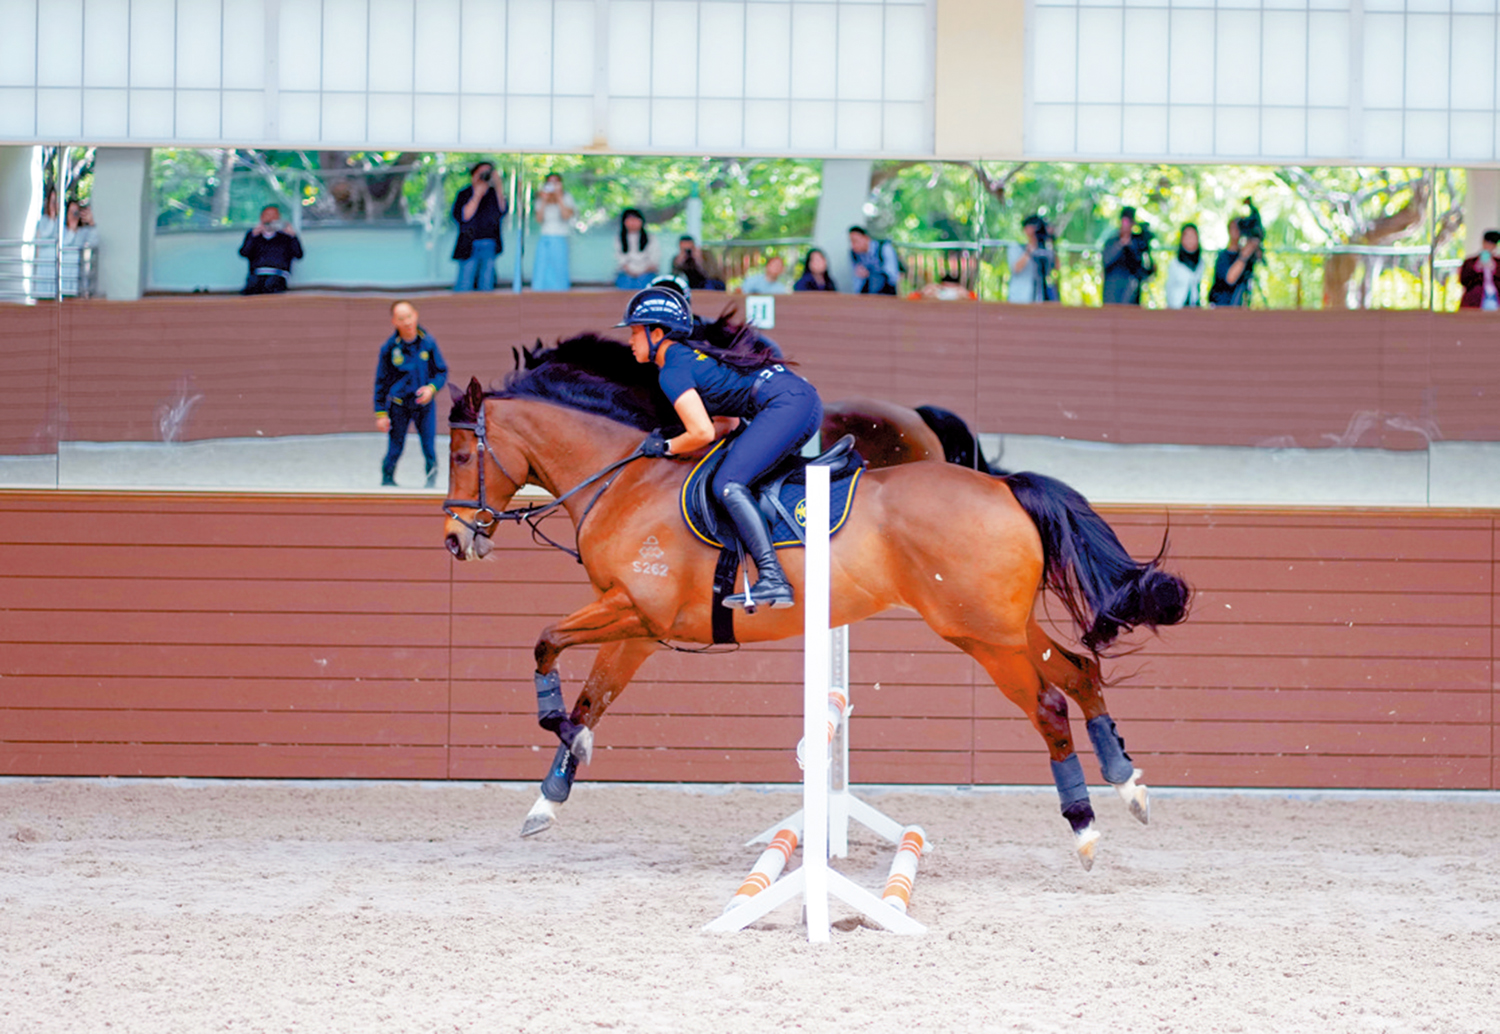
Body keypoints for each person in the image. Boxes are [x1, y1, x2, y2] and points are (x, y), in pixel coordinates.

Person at [619, 287, 822, 611]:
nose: (630, 341)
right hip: (797, 399)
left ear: (656, 333)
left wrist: (665, 447)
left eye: (634, 332)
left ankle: (773, 578)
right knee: (737, 470)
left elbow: (700, 431)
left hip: (785, 404)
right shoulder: (688, 357)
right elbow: (725, 425)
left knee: (727, 484)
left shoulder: (672, 370)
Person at [373, 299, 449, 488]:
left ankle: (431, 482)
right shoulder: (390, 348)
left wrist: (431, 388)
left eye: (409, 316)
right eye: (401, 318)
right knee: (395, 447)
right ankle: (387, 480)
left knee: (429, 447)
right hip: (399, 406)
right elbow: (381, 382)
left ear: (415, 315)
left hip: (424, 405)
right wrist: (381, 413)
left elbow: (441, 371)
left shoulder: (428, 342)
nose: (407, 322)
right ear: (394, 322)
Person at [452, 161, 508, 292]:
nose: (485, 176)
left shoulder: (494, 193)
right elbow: (464, 217)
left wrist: (499, 185)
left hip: (489, 242)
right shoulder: (464, 193)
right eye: (481, 173)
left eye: (488, 173)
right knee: (465, 280)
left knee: (487, 281)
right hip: (469, 243)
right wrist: (477, 194)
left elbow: (502, 211)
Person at [238, 204, 303, 295]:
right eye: (267, 215)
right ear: (261, 217)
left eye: (274, 216)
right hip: (257, 273)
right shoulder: (254, 235)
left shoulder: (285, 236)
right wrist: (253, 236)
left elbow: (299, 254)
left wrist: (293, 236)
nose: (271, 219)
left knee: (270, 285)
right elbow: (244, 252)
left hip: (278, 274)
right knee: (252, 287)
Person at [531, 172, 575, 292]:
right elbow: (539, 219)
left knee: (559, 267)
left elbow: (566, 216)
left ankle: (560, 292)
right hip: (545, 236)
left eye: (556, 182)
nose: (553, 185)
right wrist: (544, 200)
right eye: (550, 182)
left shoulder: (567, 197)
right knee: (542, 268)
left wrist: (559, 197)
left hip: (560, 236)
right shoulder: (541, 198)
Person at [1101, 206, 1155, 305]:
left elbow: (1145, 269)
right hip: (1112, 291)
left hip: (1131, 292)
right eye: (1124, 222)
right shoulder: (1111, 242)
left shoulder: (1137, 243)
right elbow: (1106, 261)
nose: (1126, 225)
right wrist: (1120, 244)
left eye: (1129, 222)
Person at [1208, 217, 1262, 307]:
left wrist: (1254, 244)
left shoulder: (1246, 256)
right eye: (1234, 228)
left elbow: (1260, 259)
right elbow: (1230, 278)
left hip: (1239, 307)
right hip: (1221, 306)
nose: (1237, 231)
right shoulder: (1223, 256)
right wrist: (1244, 256)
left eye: (1239, 228)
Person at [1007, 215, 1056, 304]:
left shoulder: (1044, 250)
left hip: (1040, 298)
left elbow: (1055, 268)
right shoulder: (1017, 247)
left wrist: (1052, 241)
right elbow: (1016, 268)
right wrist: (1030, 250)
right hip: (1020, 297)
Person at [60, 200, 99, 297]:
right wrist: (72, 230)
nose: (74, 215)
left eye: (76, 212)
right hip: (63, 274)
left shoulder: (84, 231)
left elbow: (94, 242)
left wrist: (92, 223)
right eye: (71, 212)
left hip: (78, 275)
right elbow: (63, 244)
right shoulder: (61, 230)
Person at [614, 208, 660, 289]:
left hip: (647, 273)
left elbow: (654, 261)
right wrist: (631, 272)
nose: (633, 222)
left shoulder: (651, 238)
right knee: (626, 282)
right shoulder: (619, 239)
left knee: (643, 283)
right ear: (624, 222)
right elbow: (621, 261)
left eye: (635, 219)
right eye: (630, 220)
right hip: (626, 274)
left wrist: (641, 272)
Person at [849, 226, 900, 295]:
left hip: (885, 291)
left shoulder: (884, 248)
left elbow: (893, 277)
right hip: (867, 292)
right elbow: (857, 282)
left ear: (866, 238)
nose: (853, 245)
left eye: (855, 241)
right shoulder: (855, 255)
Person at [1165, 223, 1205, 309]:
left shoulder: (1201, 263)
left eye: (1193, 236)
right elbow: (1169, 287)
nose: (1190, 240)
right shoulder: (1175, 264)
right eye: (1187, 236)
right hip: (1176, 307)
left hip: (1194, 307)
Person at [1458, 230, 1500, 311]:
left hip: (1495, 298)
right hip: (1475, 299)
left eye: (1492, 245)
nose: (1489, 247)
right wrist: (1477, 268)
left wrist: (1494, 269)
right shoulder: (1470, 262)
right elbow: (1464, 281)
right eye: (1487, 243)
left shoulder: (1498, 263)